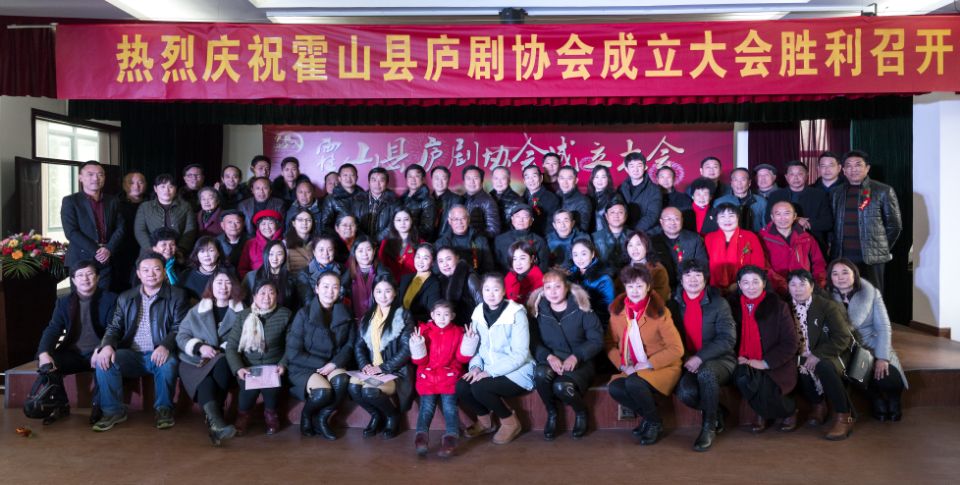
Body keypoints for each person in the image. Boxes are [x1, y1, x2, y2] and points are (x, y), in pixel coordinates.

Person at [91, 252, 188, 432]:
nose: (151, 274)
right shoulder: (126, 297)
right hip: (132, 354)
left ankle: (164, 410)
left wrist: (165, 345)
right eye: (146, 270)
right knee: (105, 360)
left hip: (159, 352)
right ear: (138, 274)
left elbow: (180, 327)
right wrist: (106, 346)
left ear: (164, 272)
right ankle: (113, 412)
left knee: (168, 363)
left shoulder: (177, 295)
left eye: (156, 269)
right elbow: (114, 327)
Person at [605, 265, 683, 445]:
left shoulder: (660, 311)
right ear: (624, 287)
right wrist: (622, 365)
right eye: (630, 286)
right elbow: (609, 343)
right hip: (631, 366)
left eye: (639, 286)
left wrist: (648, 364)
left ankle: (654, 423)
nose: (635, 290)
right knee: (615, 388)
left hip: (661, 366)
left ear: (648, 287)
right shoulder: (617, 312)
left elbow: (676, 349)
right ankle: (650, 417)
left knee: (633, 383)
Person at [35, 261, 118, 424]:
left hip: (98, 352)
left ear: (98, 277)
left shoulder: (111, 299)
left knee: (105, 360)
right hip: (74, 354)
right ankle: (61, 405)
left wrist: (102, 349)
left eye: (89, 274)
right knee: (48, 364)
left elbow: (113, 329)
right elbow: (53, 329)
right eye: (80, 275)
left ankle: (98, 406)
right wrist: (43, 353)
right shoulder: (64, 302)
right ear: (73, 280)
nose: (85, 279)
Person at [667, 259, 737, 452]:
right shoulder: (672, 305)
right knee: (686, 392)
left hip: (720, 359)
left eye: (698, 275)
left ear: (705, 279)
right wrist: (686, 359)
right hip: (687, 360)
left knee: (706, 373)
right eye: (688, 275)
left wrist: (700, 358)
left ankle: (708, 427)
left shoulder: (719, 303)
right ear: (681, 279)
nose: (693, 279)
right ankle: (718, 411)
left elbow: (727, 339)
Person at [458, 274, 535, 445]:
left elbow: (520, 354)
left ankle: (510, 422)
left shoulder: (516, 313)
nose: (491, 294)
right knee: (462, 386)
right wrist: (476, 367)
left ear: (504, 291)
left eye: (496, 289)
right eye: (487, 289)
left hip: (517, 370)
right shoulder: (478, 312)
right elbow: (477, 348)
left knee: (479, 387)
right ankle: (486, 422)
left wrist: (489, 372)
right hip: (487, 368)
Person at [827, 258, 908, 422]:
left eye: (845, 272)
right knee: (853, 372)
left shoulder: (871, 293)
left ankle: (894, 399)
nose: (840, 277)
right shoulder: (826, 299)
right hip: (847, 348)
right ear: (830, 278)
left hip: (873, 344)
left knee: (889, 377)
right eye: (835, 274)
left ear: (854, 274)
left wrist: (882, 357)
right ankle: (876, 398)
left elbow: (883, 327)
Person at [528, 270, 603, 440]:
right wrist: (548, 357)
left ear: (567, 288)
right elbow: (533, 341)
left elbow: (596, 340)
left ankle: (581, 412)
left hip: (580, 360)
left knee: (561, 386)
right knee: (540, 373)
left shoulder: (582, 308)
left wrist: (577, 356)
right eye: (548, 287)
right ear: (543, 290)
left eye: (557, 286)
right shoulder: (537, 310)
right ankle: (552, 413)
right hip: (551, 358)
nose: (553, 292)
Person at [175, 269, 243, 446]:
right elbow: (182, 336)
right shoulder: (197, 310)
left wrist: (222, 349)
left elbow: (246, 338)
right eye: (219, 282)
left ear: (234, 286)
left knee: (221, 363)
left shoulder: (243, 312)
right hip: (194, 361)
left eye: (228, 283)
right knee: (205, 379)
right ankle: (217, 422)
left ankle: (215, 422)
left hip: (224, 360)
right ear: (211, 286)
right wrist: (199, 347)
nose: (223, 287)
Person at [729, 265, 800, 433]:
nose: (751, 287)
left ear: (764, 283)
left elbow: (790, 343)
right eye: (746, 282)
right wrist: (736, 356)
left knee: (764, 380)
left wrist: (764, 362)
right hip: (741, 359)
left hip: (773, 361)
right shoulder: (731, 306)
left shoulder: (778, 306)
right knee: (743, 377)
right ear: (739, 285)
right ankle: (763, 411)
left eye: (755, 281)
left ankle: (788, 411)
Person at [285, 272, 355, 440]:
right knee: (323, 392)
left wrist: (334, 364)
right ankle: (306, 416)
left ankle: (322, 418)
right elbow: (293, 353)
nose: (330, 291)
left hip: (332, 363)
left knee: (341, 380)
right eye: (325, 286)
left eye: (335, 287)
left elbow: (349, 345)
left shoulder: (346, 312)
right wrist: (324, 364)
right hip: (304, 366)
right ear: (316, 288)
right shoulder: (303, 314)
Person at [787, 269, 855, 440]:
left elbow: (842, 337)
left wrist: (817, 354)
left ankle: (844, 416)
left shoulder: (826, 306)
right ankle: (818, 405)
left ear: (812, 286)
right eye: (793, 284)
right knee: (798, 363)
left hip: (833, 352)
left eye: (802, 284)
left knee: (823, 365)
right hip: (802, 353)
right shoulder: (785, 308)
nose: (797, 289)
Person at [409, 300, 477, 457]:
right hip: (427, 378)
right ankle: (421, 437)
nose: (442, 318)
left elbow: (461, 359)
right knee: (426, 407)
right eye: (438, 314)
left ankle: (451, 438)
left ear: (452, 316)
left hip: (448, 378)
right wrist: (417, 344)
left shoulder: (458, 332)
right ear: (432, 315)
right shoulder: (423, 331)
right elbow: (419, 361)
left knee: (449, 408)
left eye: (446, 315)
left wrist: (469, 341)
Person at [349, 275, 414, 440]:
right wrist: (364, 365)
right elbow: (359, 346)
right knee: (353, 387)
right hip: (372, 368)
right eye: (378, 291)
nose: (382, 296)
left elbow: (406, 350)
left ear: (395, 293)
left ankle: (392, 416)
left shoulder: (403, 315)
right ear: (373, 293)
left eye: (387, 291)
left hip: (394, 371)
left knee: (370, 391)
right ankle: (376, 415)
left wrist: (382, 368)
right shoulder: (368, 317)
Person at [828, 150, 902, 292]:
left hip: (872, 259)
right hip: (843, 256)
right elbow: (831, 222)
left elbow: (895, 225)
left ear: (867, 168)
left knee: (872, 296)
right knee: (844, 297)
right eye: (849, 165)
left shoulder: (883, 190)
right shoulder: (836, 192)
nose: (853, 169)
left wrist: (880, 248)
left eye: (858, 165)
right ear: (843, 170)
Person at [226, 280, 291, 435]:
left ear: (277, 296)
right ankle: (243, 416)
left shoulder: (286, 314)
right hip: (249, 365)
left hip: (273, 365)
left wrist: (283, 364)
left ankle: (271, 415)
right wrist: (239, 368)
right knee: (248, 391)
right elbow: (231, 347)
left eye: (271, 293)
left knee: (271, 388)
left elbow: (292, 345)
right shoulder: (243, 316)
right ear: (254, 296)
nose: (266, 297)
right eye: (262, 293)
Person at [62, 161, 125, 290]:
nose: (96, 178)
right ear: (80, 177)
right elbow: (71, 232)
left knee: (106, 297)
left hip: (107, 258)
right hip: (81, 258)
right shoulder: (71, 201)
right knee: (80, 298)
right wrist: (96, 251)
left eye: (100, 174)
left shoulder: (113, 200)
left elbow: (120, 228)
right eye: (90, 174)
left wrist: (109, 249)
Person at [760, 201, 828, 294]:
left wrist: (818, 285)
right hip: (775, 290)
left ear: (795, 216)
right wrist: (783, 286)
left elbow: (819, 263)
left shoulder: (806, 238)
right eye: (778, 214)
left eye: (787, 213)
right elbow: (764, 267)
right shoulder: (763, 238)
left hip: (803, 288)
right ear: (772, 217)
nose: (783, 218)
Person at [768, 161, 833, 254]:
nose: (796, 178)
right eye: (792, 174)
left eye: (800, 174)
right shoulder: (775, 196)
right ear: (786, 177)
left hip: (814, 246)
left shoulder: (819, 195)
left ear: (807, 176)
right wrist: (795, 220)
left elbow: (827, 223)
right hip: (782, 245)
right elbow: (768, 220)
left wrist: (805, 223)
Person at [704, 203, 767, 294]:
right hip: (714, 289)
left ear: (738, 218)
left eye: (731, 216)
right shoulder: (709, 238)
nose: (727, 220)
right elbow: (704, 265)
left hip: (745, 288)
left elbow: (758, 265)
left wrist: (739, 284)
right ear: (717, 220)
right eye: (722, 216)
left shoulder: (750, 237)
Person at [134, 173, 197, 256]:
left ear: (175, 189)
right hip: (150, 253)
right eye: (162, 187)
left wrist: (180, 249)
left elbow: (190, 229)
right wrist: (152, 249)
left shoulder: (185, 206)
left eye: (170, 187)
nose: (166, 190)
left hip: (179, 253)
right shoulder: (145, 207)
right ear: (155, 189)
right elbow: (140, 230)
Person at [650, 207, 709, 290]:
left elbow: (702, 265)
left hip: (689, 287)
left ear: (682, 220)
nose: (672, 222)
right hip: (662, 287)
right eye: (668, 219)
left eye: (676, 219)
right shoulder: (652, 242)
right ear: (661, 222)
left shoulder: (694, 239)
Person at [435, 205, 494, 273]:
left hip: (476, 276)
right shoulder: (441, 242)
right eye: (456, 219)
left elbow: (489, 267)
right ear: (449, 221)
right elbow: (438, 269)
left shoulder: (481, 240)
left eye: (463, 218)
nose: (459, 222)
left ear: (468, 219)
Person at [569, 238, 615, 325]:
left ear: (592, 254)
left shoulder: (604, 279)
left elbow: (607, 310)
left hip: (594, 323)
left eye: (583, 254)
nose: (579, 259)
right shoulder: (570, 273)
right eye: (575, 255)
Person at [113, 171, 146, 293]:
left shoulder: (152, 202)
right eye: (131, 183)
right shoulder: (115, 203)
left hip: (144, 250)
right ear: (124, 185)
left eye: (140, 182)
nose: (136, 186)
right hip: (121, 252)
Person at [493, 204, 550, 273]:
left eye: (525, 217)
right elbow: (496, 266)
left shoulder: (539, 241)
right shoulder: (500, 240)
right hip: (505, 277)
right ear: (512, 219)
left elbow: (543, 267)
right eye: (517, 216)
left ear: (531, 221)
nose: (521, 220)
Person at [297, 236, 351, 306]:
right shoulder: (304, 273)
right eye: (321, 250)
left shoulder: (343, 269)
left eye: (330, 249)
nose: (326, 253)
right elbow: (308, 302)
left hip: (339, 308)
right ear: (314, 252)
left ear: (334, 251)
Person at [436, 246, 483, 327]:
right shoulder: (439, 281)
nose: (445, 264)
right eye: (441, 261)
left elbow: (483, 305)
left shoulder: (470, 278)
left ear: (457, 258)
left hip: (472, 327)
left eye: (448, 259)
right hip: (451, 329)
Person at [347, 235, 391, 318]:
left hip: (379, 319)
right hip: (354, 321)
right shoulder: (348, 275)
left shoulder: (383, 273)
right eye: (360, 251)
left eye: (368, 250)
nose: (365, 254)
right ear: (354, 253)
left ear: (374, 251)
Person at [243, 240, 295, 309]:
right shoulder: (251, 277)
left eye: (279, 254)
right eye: (271, 254)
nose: (275, 258)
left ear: (285, 256)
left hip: (283, 314)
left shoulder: (291, 278)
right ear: (265, 255)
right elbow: (243, 302)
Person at [397, 244, 442, 324]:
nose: (420, 261)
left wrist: (406, 318)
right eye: (418, 257)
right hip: (397, 322)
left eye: (425, 258)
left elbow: (432, 314)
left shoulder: (435, 284)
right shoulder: (405, 278)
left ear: (433, 262)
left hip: (416, 325)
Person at [619, 152, 662, 233]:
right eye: (632, 166)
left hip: (646, 233)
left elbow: (652, 215)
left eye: (639, 165)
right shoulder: (621, 188)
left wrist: (634, 232)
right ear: (626, 169)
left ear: (645, 167)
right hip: (624, 232)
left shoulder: (654, 190)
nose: (635, 169)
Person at [714, 168, 768, 233]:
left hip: (754, 237)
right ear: (731, 183)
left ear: (749, 183)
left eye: (743, 180)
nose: (739, 183)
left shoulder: (761, 202)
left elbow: (766, 227)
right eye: (735, 180)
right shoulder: (719, 202)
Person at [178, 236, 230, 301]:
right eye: (202, 251)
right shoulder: (186, 275)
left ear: (218, 253)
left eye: (211, 250)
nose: (206, 255)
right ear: (197, 254)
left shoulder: (228, 273)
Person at [624, 231, 671, 301]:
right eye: (630, 245)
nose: (634, 249)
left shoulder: (657, 269)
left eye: (638, 244)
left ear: (647, 246)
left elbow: (661, 298)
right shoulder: (623, 269)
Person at [237, 209, 283, 279]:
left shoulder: (284, 243)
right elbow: (242, 269)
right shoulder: (250, 243)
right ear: (258, 227)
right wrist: (252, 281)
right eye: (263, 224)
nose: (267, 227)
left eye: (271, 223)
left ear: (277, 225)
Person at [354, 167, 399, 239]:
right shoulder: (358, 200)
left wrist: (376, 240)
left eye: (381, 180)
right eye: (374, 180)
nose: (377, 184)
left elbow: (393, 225)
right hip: (362, 242)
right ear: (369, 182)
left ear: (387, 183)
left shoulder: (395, 202)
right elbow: (354, 223)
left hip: (385, 242)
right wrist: (364, 240)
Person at [378, 208, 422, 280]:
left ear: (411, 221)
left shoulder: (420, 242)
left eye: (406, 219)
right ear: (393, 222)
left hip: (413, 282)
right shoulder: (386, 242)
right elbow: (381, 265)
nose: (402, 223)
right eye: (398, 220)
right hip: (390, 282)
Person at [320, 163, 364, 230]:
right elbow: (325, 225)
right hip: (338, 235)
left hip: (361, 235)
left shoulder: (364, 196)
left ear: (356, 178)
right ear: (339, 178)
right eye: (345, 175)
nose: (348, 178)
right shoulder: (331, 199)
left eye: (352, 175)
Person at [521, 164, 561, 237]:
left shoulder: (551, 198)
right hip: (524, 236)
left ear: (541, 178)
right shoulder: (521, 198)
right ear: (524, 181)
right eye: (527, 177)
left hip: (542, 237)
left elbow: (551, 225)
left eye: (534, 176)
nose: (531, 180)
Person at [462, 165, 500, 239]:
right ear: (464, 181)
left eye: (475, 178)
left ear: (482, 181)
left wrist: (474, 237)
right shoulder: (461, 199)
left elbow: (494, 230)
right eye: (468, 178)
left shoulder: (488, 202)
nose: (472, 182)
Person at [401, 164, 438, 240]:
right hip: (401, 239)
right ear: (406, 179)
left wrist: (405, 234)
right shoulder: (402, 198)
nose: (413, 179)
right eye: (410, 176)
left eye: (417, 176)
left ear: (423, 179)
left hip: (416, 241)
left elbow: (427, 229)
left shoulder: (428, 201)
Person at [591, 196, 630, 269]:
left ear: (626, 215)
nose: (616, 215)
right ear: (606, 216)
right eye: (612, 212)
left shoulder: (633, 236)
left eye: (620, 212)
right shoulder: (595, 238)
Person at [504, 240, 544, 305]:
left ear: (532, 259)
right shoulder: (509, 277)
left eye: (522, 258)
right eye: (514, 259)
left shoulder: (540, 280)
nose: (518, 263)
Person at [557, 166, 593, 233]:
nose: (565, 182)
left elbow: (583, 230)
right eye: (562, 178)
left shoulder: (583, 201)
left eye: (569, 178)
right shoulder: (554, 197)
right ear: (558, 179)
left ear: (576, 180)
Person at [430, 166, 464, 236]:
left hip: (447, 240)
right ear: (432, 180)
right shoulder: (427, 199)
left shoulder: (457, 200)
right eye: (436, 178)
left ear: (448, 180)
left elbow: (458, 225)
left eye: (444, 178)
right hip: (428, 239)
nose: (440, 182)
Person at [489, 166, 523, 232]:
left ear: (509, 180)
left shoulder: (517, 200)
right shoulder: (489, 196)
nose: (499, 182)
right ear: (492, 180)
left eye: (503, 178)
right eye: (496, 178)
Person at [285, 209, 318, 274]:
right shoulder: (285, 244)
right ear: (293, 223)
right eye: (300, 220)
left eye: (308, 220)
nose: (304, 223)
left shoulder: (318, 242)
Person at [587, 165, 617, 232]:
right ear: (592, 179)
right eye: (596, 177)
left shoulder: (614, 197)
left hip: (607, 234)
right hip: (589, 235)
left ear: (608, 179)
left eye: (603, 177)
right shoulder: (587, 198)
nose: (599, 180)